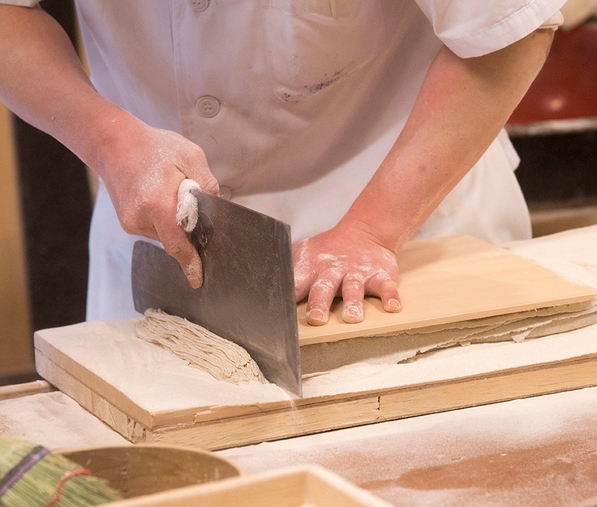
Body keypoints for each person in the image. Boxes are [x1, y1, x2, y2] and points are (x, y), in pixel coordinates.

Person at [0, 0, 564, 326]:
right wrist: (108, 140)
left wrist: (370, 228)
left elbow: (509, 29)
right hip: (154, 235)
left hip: (411, 220)